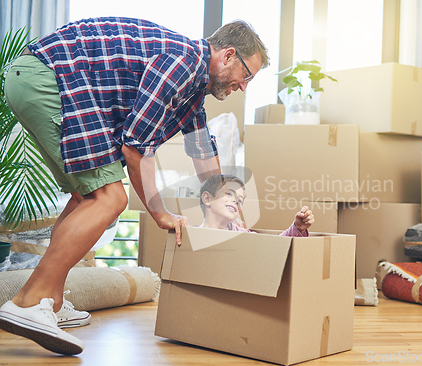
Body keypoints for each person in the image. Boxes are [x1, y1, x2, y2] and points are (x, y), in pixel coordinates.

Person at [0, 17, 269, 355]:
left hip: (40, 78)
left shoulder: (192, 91)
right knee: (111, 199)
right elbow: (134, 148)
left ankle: (50, 302)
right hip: (50, 78)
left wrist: (232, 215)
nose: (243, 87)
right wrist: (160, 213)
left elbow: (203, 154)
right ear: (229, 55)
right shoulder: (183, 60)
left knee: (87, 198)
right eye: (247, 76)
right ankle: (29, 301)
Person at [199, 174, 314, 236]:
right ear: (207, 198)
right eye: (229, 193)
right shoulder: (190, 237)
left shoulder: (241, 235)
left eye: (241, 200)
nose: (236, 201)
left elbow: (273, 246)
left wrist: (297, 228)